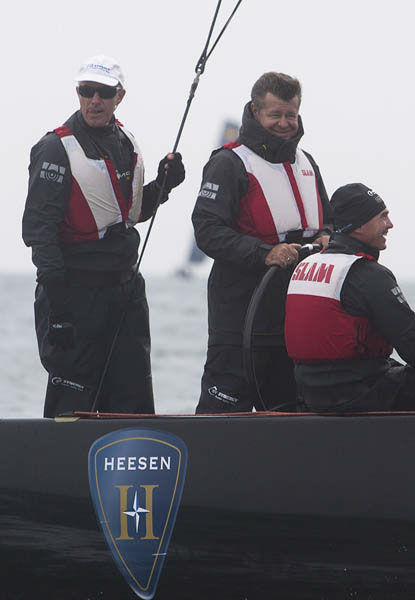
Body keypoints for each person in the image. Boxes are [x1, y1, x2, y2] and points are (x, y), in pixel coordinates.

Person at [22, 55, 185, 418]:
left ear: (119, 96)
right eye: (86, 90)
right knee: (75, 397)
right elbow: (39, 232)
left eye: (103, 92)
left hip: (124, 289)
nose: (94, 99)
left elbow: (130, 214)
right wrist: (60, 313)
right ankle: (61, 469)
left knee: (131, 394)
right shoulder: (54, 149)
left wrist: (163, 184)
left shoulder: (125, 140)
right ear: (78, 93)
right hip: (75, 291)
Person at [192, 72, 333, 414]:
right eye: (275, 115)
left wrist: (330, 234)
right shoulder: (229, 163)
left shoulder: (306, 163)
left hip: (292, 320)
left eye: (291, 115)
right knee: (224, 413)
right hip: (240, 317)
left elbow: (327, 218)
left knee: (291, 412)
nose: (284, 124)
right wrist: (264, 253)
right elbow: (207, 229)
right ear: (255, 112)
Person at [285, 182, 415, 413]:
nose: (390, 224)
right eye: (382, 217)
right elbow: (410, 340)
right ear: (358, 226)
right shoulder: (367, 274)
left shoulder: (305, 265)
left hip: (310, 392)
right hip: (356, 393)